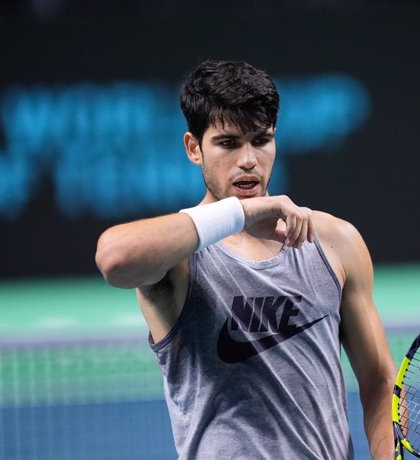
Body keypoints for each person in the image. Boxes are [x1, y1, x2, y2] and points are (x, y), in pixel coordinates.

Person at [95, 60, 395, 459]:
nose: (249, 159)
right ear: (193, 149)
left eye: (261, 139)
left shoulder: (335, 242)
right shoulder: (180, 259)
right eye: (229, 143)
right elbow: (114, 258)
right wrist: (242, 212)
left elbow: (379, 380)